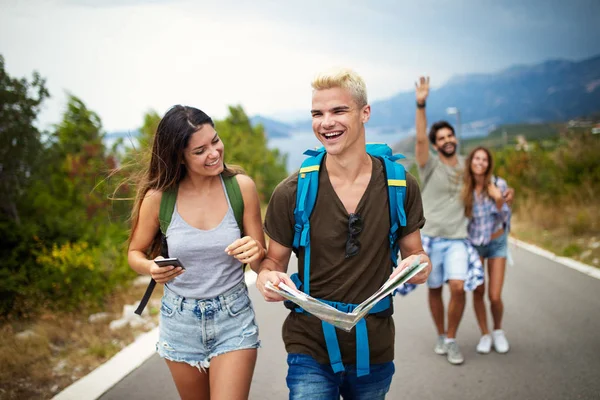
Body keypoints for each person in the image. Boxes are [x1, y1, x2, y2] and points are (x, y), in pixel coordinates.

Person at [255, 68, 431, 399]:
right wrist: (268, 279)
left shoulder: (400, 185)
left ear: (365, 113)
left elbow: (415, 255)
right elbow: (272, 263)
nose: (326, 122)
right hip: (309, 345)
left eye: (338, 111)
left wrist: (419, 266)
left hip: (374, 349)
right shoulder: (291, 192)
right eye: (317, 114)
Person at [127, 105, 265, 400]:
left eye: (215, 141)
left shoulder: (241, 188)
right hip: (180, 320)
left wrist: (255, 251)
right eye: (200, 150)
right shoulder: (159, 198)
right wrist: (151, 267)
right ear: (179, 156)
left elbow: (259, 257)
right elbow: (134, 253)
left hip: (233, 317)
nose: (214, 153)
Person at [414, 77, 513, 365]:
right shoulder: (428, 164)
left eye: (450, 136)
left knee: (457, 286)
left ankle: (453, 338)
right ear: (435, 145)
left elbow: (486, 178)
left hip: (458, 238)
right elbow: (420, 138)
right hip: (430, 237)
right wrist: (421, 104)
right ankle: (441, 334)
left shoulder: (467, 167)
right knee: (434, 290)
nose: (447, 140)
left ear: (456, 138)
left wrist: (502, 194)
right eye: (441, 138)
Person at [462, 146, 512, 354]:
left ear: (489, 164)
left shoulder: (499, 185)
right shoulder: (464, 188)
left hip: (496, 243)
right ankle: (485, 334)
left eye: (484, 159)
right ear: (471, 162)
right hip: (474, 245)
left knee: (494, 295)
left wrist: (499, 199)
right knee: (478, 291)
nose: (480, 162)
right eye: (476, 158)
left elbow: (506, 218)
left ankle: (498, 331)